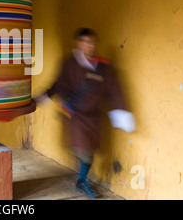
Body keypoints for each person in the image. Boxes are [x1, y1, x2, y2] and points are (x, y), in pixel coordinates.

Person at [35, 28, 134, 198]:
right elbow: (58, 84)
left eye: (93, 42)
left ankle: (82, 177)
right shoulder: (69, 64)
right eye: (86, 42)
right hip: (75, 114)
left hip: (94, 116)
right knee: (86, 150)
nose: (90, 45)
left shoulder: (103, 66)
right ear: (78, 43)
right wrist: (42, 97)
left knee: (90, 150)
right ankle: (82, 180)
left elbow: (114, 89)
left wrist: (120, 111)